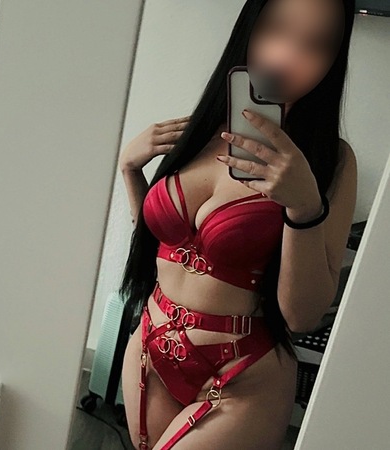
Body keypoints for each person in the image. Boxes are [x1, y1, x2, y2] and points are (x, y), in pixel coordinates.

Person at [118, 0, 357, 448]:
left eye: (317, 44)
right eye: (276, 29)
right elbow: (161, 250)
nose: (288, 55)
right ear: (249, 27)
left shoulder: (332, 161)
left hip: (242, 374)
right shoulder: (198, 129)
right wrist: (131, 170)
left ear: (334, 60)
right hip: (151, 344)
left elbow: (303, 316)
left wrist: (304, 208)